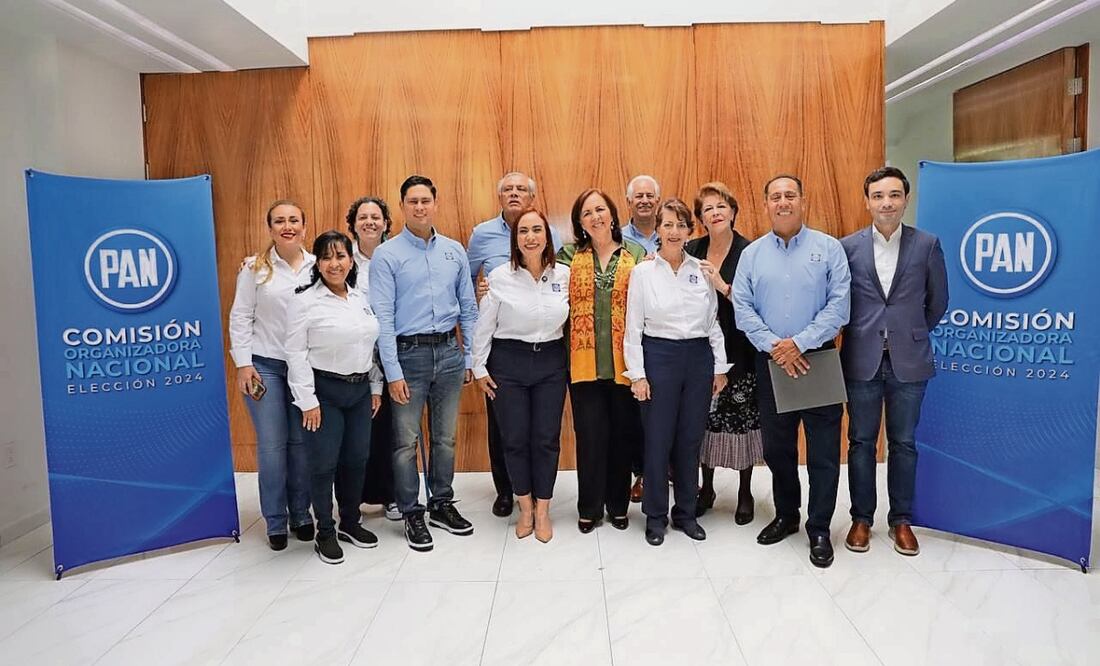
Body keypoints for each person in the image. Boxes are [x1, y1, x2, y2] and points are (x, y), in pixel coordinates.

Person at [732, 174, 851, 568]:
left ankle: (819, 527)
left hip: (816, 359)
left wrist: (799, 343)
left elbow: (839, 307)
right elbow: (743, 309)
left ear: (803, 201)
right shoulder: (752, 255)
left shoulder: (828, 248)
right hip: (771, 363)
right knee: (777, 449)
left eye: (790, 196)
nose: (783, 203)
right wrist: (776, 346)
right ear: (765, 204)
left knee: (823, 453)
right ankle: (787, 514)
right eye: (775, 197)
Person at [840, 166, 948, 557]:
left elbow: (938, 303)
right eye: (878, 196)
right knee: (861, 443)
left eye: (894, 195)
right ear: (867, 201)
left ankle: (901, 519)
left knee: (904, 443)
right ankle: (861, 519)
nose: (886, 203)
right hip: (861, 359)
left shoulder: (927, 245)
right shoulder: (847, 247)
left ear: (906, 199)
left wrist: (911, 331)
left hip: (910, 360)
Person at [370, 175, 479, 552]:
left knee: (445, 438)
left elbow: (469, 308)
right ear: (402, 207)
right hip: (407, 355)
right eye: (412, 201)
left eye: (425, 201)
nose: (420, 207)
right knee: (405, 442)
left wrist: (470, 357)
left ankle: (441, 503)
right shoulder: (387, 256)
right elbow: (381, 318)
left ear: (435, 204)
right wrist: (393, 372)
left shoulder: (454, 251)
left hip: (449, 353)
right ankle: (411, 510)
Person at [624, 199, 729, 546]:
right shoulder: (642, 272)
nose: (673, 231)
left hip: (697, 359)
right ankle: (655, 517)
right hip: (659, 357)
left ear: (689, 231)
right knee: (657, 440)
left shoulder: (701, 270)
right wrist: (637, 375)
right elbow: (633, 328)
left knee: (689, 440)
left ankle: (685, 513)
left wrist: (719, 366)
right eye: (666, 224)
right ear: (657, 230)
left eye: (680, 225)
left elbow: (713, 322)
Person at [467, 172, 562, 519]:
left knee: (546, 439)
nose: (530, 237)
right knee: (513, 438)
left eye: (537, 231)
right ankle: (523, 506)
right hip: (507, 360)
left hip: (551, 361)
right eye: (523, 232)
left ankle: (543, 509)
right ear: (514, 240)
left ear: (547, 236)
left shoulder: (562, 275)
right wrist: (478, 367)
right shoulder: (498, 277)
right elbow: (483, 325)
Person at [285, 230, 383, 565]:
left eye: (340, 256)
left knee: (356, 460)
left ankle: (350, 522)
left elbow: (368, 345)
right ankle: (325, 530)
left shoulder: (359, 298)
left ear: (350, 259)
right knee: (323, 465)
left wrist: (375, 386)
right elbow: (294, 353)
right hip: (323, 393)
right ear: (318, 262)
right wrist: (307, 400)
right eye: (326, 257)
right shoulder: (304, 301)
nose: (334, 263)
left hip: (359, 392)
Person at [557, 188, 647, 534]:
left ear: (612, 214)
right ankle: (590, 507)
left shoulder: (636, 254)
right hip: (582, 364)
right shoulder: (567, 255)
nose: (595, 217)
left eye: (600, 209)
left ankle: (618, 505)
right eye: (587, 213)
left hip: (626, 364)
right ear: (579, 222)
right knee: (590, 437)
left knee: (623, 436)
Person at [228, 200, 315, 551]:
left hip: (305, 368)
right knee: (272, 446)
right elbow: (240, 317)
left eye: (294, 219)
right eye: (280, 221)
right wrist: (243, 364)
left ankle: (302, 514)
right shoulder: (255, 268)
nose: (288, 225)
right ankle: (276, 521)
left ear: (305, 227)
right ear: (270, 229)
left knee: (302, 445)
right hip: (265, 366)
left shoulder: (317, 266)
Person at [687, 182, 764, 525]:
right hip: (699, 352)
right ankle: (707, 487)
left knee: (743, 422)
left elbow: (758, 307)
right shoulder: (691, 248)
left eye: (721, 206)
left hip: (741, 350)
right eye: (707, 208)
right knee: (703, 422)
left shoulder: (752, 252)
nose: (715, 213)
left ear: (733, 211)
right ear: (701, 218)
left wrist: (722, 286)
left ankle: (745, 490)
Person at [346, 196, 400, 522]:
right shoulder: (342, 258)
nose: (369, 222)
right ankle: (354, 499)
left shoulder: (395, 256)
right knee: (354, 434)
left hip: (391, 355)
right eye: (362, 216)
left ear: (385, 223)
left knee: (390, 432)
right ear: (353, 224)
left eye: (375, 216)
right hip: (353, 358)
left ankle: (391, 496)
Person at [621, 174, 661, 504]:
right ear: (629, 202)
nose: (645, 200)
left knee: (667, 408)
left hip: (669, 336)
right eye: (639, 196)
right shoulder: (616, 239)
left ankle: (665, 467)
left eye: (650, 195)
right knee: (636, 413)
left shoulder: (675, 234)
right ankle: (642, 473)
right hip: (630, 335)